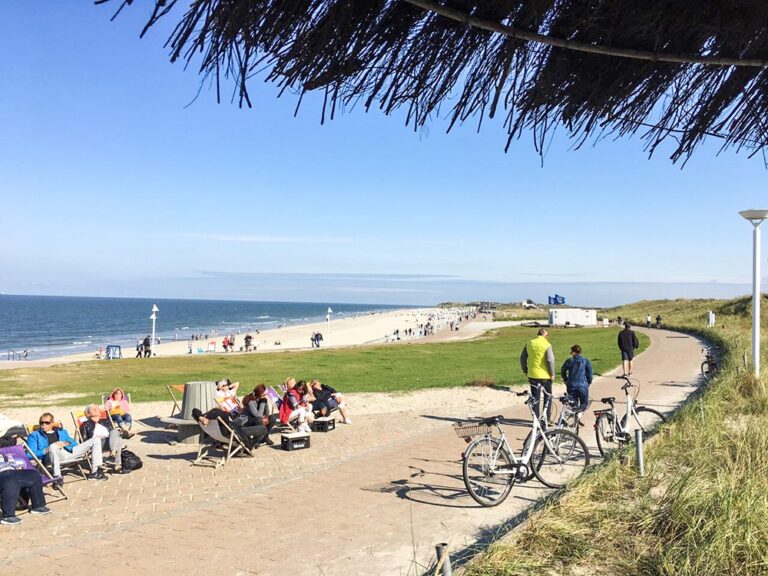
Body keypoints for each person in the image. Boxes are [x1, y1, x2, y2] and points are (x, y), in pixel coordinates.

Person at [26, 413, 107, 481]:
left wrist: (66, 443)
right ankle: (57, 476)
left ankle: (94, 472)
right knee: (53, 446)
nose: (43, 425)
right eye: (41, 423)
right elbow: (29, 455)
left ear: (52, 423)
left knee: (96, 439)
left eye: (46, 423)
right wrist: (46, 450)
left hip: (68, 453)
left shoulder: (62, 431)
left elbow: (74, 444)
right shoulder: (34, 435)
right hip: (51, 457)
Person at [0, 457, 51, 525]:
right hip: (3, 476)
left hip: (10, 470)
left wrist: (16, 465)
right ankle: (8, 516)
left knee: (34, 475)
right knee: (10, 481)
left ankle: (38, 506)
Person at [192, 407, 271, 449]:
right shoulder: (223, 420)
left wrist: (201, 417)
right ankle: (251, 445)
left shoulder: (205, 423)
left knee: (244, 421)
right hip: (237, 434)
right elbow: (223, 413)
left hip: (230, 432)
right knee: (263, 429)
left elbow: (194, 410)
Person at [520, 328, 555, 422]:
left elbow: (523, 358)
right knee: (547, 397)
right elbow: (550, 360)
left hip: (533, 374)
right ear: (546, 335)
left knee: (535, 398)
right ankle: (546, 418)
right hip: (545, 375)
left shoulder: (529, 343)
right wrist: (552, 373)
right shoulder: (547, 344)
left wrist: (525, 370)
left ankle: (536, 419)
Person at [79, 405, 125, 474]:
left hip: (110, 442)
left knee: (115, 432)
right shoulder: (85, 424)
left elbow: (113, 434)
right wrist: (96, 438)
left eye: (97, 409)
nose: (97, 410)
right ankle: (117, 464)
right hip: (96, 443)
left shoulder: (106, 421)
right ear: (88, 414)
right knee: (118, 440)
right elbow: (83, 440)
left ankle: (112, 454)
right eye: (94, 410)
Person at [560, 345, 593, 418]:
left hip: (571, 384)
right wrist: (589, 382)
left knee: (573, 402)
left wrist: (565, 379)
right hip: (583, 384)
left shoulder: (569, 361)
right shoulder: (585, 361)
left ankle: (575, 414)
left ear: (574, 352)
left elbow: (563, 371)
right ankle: (580, 412)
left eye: (571, 352)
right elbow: (590, 373)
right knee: (584, 403)